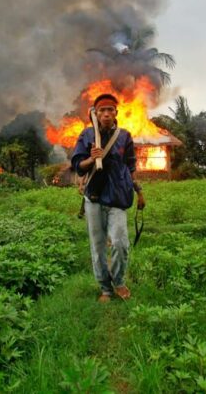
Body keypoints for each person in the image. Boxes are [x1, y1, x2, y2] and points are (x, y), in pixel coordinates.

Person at [71, 93, 146, 303]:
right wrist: (91, 159)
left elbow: (130, 166)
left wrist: (139, 191)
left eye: (110, 110)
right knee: (98, 245)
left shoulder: (124, 136)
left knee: (121, 242)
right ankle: (105, 288)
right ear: (95, 114)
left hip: (118, 196)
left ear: (116, 113)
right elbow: (77, 164)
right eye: (102, 110)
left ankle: (119, 281)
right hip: (94, 196)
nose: (106, 114)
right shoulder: (87, 135)